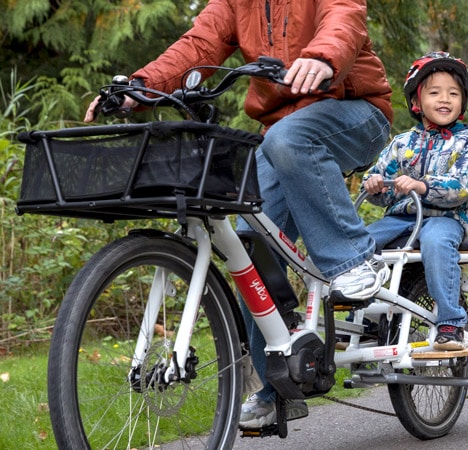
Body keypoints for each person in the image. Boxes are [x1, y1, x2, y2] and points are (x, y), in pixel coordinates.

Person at [84, 0, 393, 429]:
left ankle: (352, 259)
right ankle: (276, 390)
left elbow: (343, 19)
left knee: (290, 139)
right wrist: (140, 84)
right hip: (278, 134)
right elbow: (199, 44)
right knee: (248, 248)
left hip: (356, 111)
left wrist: (323, 57)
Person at [361, 51, 468, 351]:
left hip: (445, 218)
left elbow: (463, 185)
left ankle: (451, 322)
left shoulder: (466, 144)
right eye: (435, 92)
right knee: (359, 242)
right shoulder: (402, 144)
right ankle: (363, 317)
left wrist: (423, 185)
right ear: (417, 101)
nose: (445, 99)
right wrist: (376, 185)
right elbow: (383, 186)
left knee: (436, 242)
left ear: (462, 102)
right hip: (402, 218)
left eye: (453, 93)